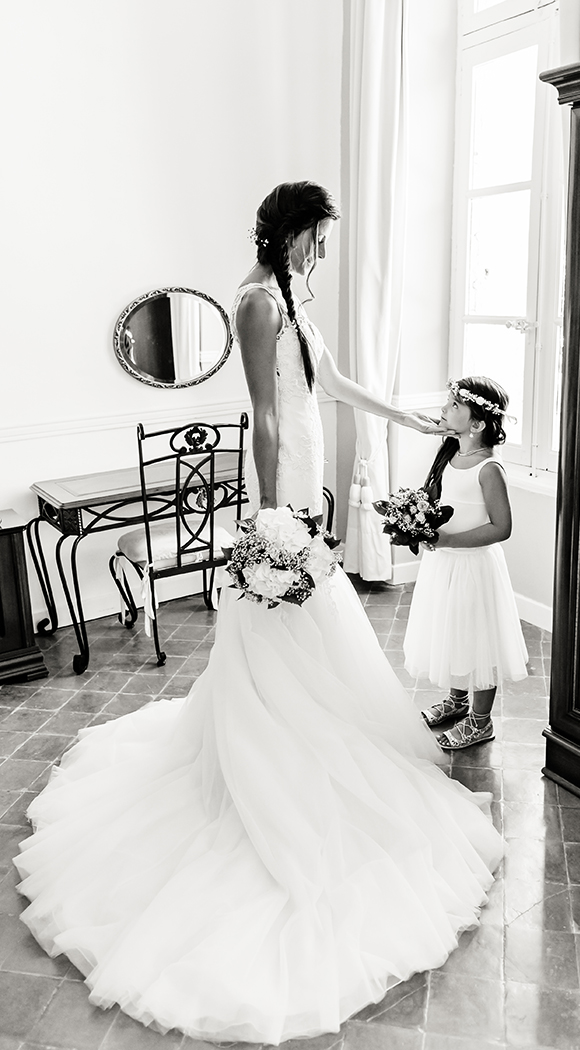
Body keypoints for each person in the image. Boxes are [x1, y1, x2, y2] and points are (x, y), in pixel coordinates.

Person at [14, 183, 504, 1046]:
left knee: (316, 630)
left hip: (307, 471)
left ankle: (312, 729)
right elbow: (267, 414)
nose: (324, 251)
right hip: (283, 488)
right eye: (318, 236)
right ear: (290, 232)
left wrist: (404, 413)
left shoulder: (288, 298)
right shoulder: (250, 300)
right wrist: (272, 519)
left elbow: (332, 384)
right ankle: (276, 748)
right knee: (284, 623)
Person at [404, 376, 529, 749]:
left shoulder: (489, 468)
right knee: (455, 632)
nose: (444, 409)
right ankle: (458, 702)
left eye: (454, 405)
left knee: (478, 640)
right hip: (446, 565)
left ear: (477, 425)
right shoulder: (450, 454)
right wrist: (420, 528)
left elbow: (502, 527)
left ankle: (480, 721)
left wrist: (452, 541)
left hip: (474, 567)